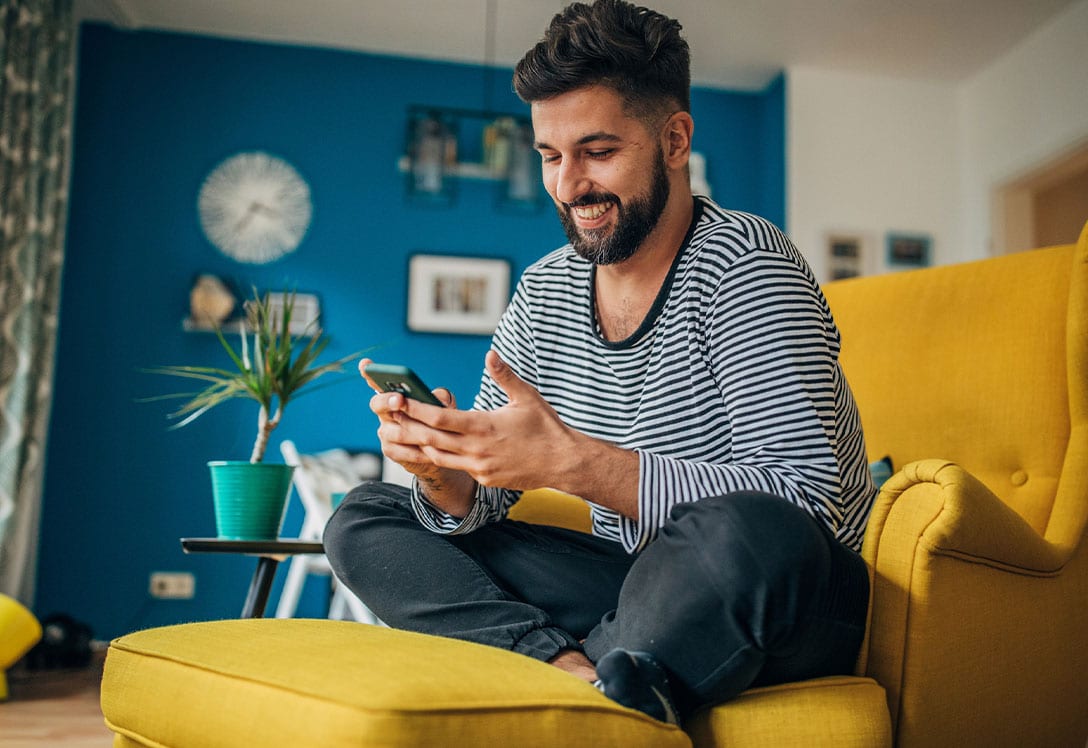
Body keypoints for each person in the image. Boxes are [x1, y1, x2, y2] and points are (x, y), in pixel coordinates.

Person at [325, 0, 876, 725]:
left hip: (783, 587)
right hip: (638, 582)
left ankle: (604, 670)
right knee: (365, 517)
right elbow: (486, 497)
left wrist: (573, 464)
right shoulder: (547, 288)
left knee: (746, 529)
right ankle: (575, 672)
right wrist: (447, 474)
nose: (567, 184)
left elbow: (808, 504)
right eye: (551, 156)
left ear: (674, 139)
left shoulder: (748, 265)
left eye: (598, 151)